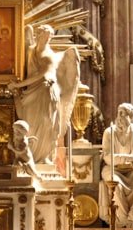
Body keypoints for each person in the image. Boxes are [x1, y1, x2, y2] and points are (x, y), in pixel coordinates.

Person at [9, 24, 80, 165]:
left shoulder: (50, 56)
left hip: (46, 92)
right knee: (29, 123)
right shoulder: (30, 50)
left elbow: (41, 75)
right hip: (31, 93)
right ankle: (27, 156)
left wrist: (17, 85)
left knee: (46, 123)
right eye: (44, 35)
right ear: (38, 35)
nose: (47, 39)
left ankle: (42, 157)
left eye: (49, 37)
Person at [99, 103, 133, 227]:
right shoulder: (109, 132)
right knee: (115, 183)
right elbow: (107, 156)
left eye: (123, 113)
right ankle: (122, 221)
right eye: (118, 112)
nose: (119, 116)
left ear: (130, 117)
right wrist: (126, 159)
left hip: (132, 171)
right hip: (113, 169)